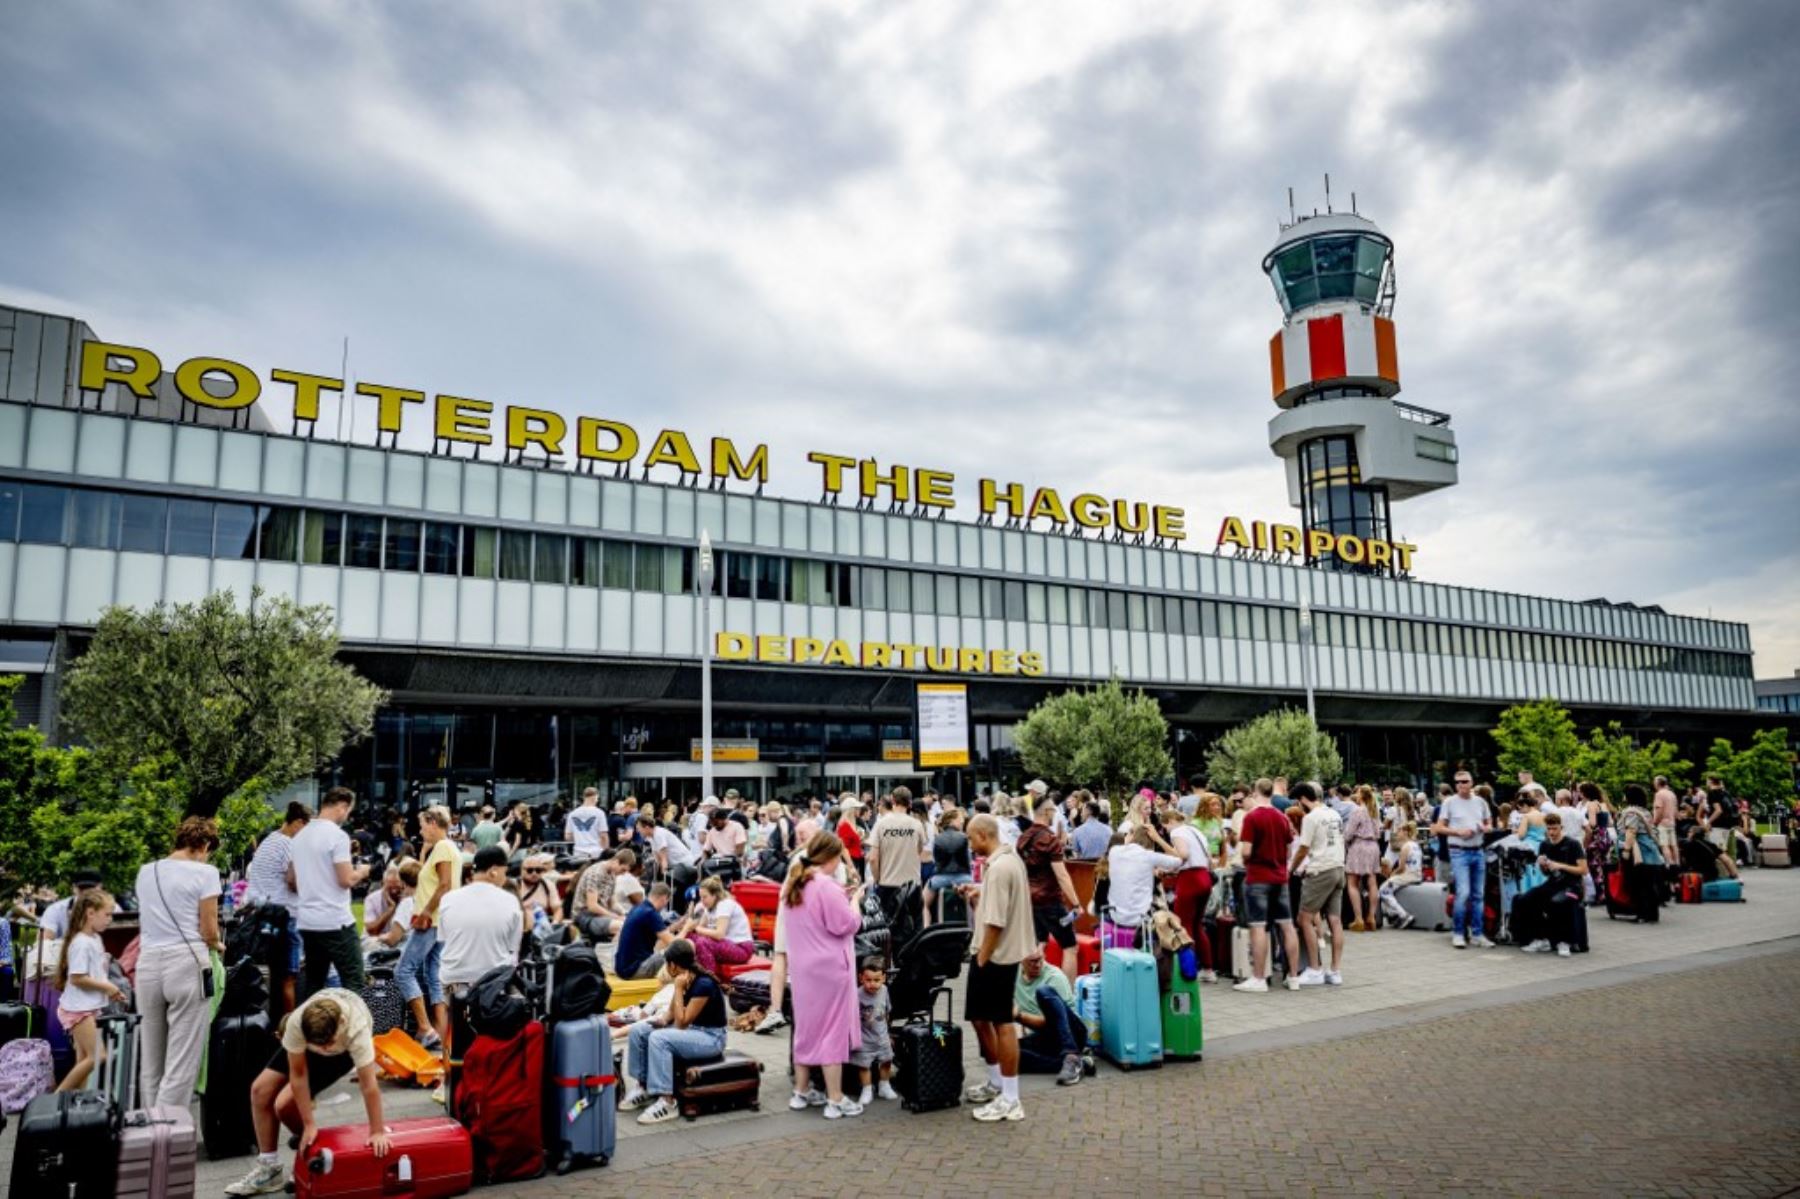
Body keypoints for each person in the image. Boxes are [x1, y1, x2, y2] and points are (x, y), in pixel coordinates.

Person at [224, 989, 389, 1196]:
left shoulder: (357, 1030)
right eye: (320, 1045)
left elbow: (368, 1086)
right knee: (260, 1090)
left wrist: (377, 1131)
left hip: (343, 1050)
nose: (325, 1049)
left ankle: (309, 1154)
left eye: (329, 1043)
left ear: (343, 1022)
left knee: (283, 1106)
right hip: (309, 1037)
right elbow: (298, 1074)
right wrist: (308, 1123)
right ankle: (269, 1169)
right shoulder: (297, 1023)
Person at [135, 815, 224, 1109]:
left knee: (152, 1059)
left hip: (147, 964)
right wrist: (218, 944)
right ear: (204, 844)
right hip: (186, 963)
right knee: (182, 1060)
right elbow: (209, 930)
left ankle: (149, 1129)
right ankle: (167, 1133)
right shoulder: (206, 873)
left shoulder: (146, 872)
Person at [957, 813, 1034, 1123]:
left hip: (996, 955)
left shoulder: (1000, 867)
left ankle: (1010, 1097)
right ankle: (998, 1083)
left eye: (971, 838)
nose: (970, 844)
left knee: (1001, 1022)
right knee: (980, 1017)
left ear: (983, 836)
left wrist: (982, 957)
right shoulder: (1007, 861)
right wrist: (979, 892)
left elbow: (995, 922)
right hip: (999, 953)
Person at [782, 831, 865, 1119]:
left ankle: (801, 1092)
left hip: (803, 968)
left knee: (806, 1028)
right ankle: (835, 1098)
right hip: (830, 968)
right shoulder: (826, 886)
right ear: (831, 857)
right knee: (832, 1030)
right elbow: (846, 924)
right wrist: (855, 902)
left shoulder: (794, 882)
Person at [436, 844, 523, 1094]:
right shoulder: (509, 901)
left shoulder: (449, 899)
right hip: (491, 984)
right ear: (494, 871)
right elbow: (512, 950)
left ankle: (448, 1080)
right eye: (505, 871)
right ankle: (492, 1079)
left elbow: (445, 939)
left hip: (454, 979)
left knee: (451, 1029)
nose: (506, 877)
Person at [617, 938, 730, 1125]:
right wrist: (657, 1021)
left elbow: (682, 1023)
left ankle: (667, 1102)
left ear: (673, 965)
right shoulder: (685, 977)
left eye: (666, 964)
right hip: (693, 1031)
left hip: (711, 1038)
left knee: (659, 1039)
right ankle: (643, 1086)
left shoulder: (703, 984)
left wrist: (678, 989)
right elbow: (670, 1014)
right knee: (639, 1030)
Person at [290, 787, 372, 998]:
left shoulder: (300, 836)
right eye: (348, 811)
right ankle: (354, 1029)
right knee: (354, 980)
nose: (347, 816)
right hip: (336, 920)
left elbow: (291, 880)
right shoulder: (338, 836)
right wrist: (362, 872)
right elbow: (346, 879)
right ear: (342, 806)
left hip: (308, 920)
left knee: (314, 982)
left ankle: (309, 1028)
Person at [398, 805, 459, 1051]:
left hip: (431, 920)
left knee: (403, 971)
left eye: (423, 825)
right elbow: (432, 879)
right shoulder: (446, 848)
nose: (421, 830)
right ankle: (443, 1035)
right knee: (433, 976)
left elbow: (443, 885)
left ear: (434, 823)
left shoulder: (443, 847)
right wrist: (424, 851)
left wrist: (424, 912)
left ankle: (425, 1028)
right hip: (440, 920)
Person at [52, 888, 123, 1092]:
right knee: (97, 1056)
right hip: (78, 1009)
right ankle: (55, 1099)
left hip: (84, 1007)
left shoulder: (94, 940)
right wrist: (109, 987)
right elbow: (77, 978)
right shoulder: (82, 943)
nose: (110, 920)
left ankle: (75, 1104)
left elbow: (93, 975)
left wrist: (110, 989)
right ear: (90, 913)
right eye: (107, 914)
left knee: (83, 1060)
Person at [1234, 782, 1302, 993]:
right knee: (1287, 925)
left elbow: (1246, 851)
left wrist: (1249, 861)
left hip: (1258, 877)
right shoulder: (1282, 817)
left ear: (1254, 792)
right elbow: (1289, 850)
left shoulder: (1252, 817)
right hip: (1280, 877)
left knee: (1258, 926)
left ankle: (1259, 977)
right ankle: (1293, 976)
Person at [242, 802, 310, 1014]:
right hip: (285, 915)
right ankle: (288, 1029)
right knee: (290, 977)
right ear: (298, 823)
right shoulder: (289, 844)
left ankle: (275, 1026)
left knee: (276, 974)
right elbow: (293, 880)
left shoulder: (268, 841)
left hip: (265, 916)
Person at [1017, 794, 1081, 983]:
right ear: (1046, 812)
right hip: (1050, 901)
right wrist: (1076, 903)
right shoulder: (1048, 839)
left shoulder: (1023, 838)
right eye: (1053, 810)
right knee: (1070, 947)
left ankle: (1029, 986)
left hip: (1030, 899)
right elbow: (1062, 875)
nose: (1055, 814)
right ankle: (1068, 996)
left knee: (1040, 943)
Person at [1290, 783, 1346, 987]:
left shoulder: (1310, 818)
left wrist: (1292, 868)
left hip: (1320, 870)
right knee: (1335, 920)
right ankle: (1335, 970)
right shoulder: (1334, 814)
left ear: (1303, 799)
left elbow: (1303, 848)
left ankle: (1314, 969)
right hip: (1339, 868)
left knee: (1304, 918)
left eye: (1298, 801)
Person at [1431, 772, 1494, 949]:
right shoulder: (1449, 802)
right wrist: (1458, 832)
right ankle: (1458, 932)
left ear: (1472, 782)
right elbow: (1439, 828)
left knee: (1478, 894)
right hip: (1459, 851)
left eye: (1465, 781)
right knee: (1463, 892)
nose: (1461, 785)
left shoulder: (1480, 802)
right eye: (1457, 782)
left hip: (1477, 849)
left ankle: (1477, 933)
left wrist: (1483, 828)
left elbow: (1490, 825)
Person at [1511, 812, 1586, 956]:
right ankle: (1541, 937)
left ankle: (1564, 941)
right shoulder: (1544, 845)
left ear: (1561, 827)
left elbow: (1583, 869)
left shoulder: (1572, 844)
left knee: (1558, 902)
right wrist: (1543, 867)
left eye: (1554, 829)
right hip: (1553, 884)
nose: (1551, 832)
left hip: (1572, 885)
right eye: (1549, 829)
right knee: (1526, 899)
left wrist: (1560, 866)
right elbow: (1546, 874)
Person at [1012, 946, 1086, 1085]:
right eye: (1032, 961)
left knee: (1043, 991)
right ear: (1021, 959)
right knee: (1007, 1054)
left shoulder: (1053, 976)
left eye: (1040, 959)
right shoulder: (1014, 974)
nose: (1038, 964)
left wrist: (1019, 1016)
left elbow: (1051, 1023)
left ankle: (1071, 1056)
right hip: (1047, 1037)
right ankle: (1077, 1064)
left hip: (1072, 1034)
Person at [1105, 824, 1182, 943]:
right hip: (1140, 918)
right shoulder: (1149, 856)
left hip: (1116, 915)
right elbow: (1179, 860)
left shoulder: (1114, 852)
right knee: (1171, 915)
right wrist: (1158, 839)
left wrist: (1130, 838)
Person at [1165, 811, 1218, 983]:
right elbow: (1210, 860)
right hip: (1204, 878)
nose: (1166, 830)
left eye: (1166, 826)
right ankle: (1208, 969)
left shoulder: (1176, 832)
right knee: (1198, 925)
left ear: (1170, 821)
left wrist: (1164, 847)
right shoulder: (1196, 832)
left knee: (1183, 925)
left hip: (1190, 880)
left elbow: (1183, 855)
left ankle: (1189, 969)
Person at [675, 876, 756, 975]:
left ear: (714, 896)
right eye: (700, 897)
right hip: (727, 944)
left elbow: (719, 934)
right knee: (690, 937)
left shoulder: (724, 905)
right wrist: (688, 927)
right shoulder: (708, 906)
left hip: (741, 948)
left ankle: (709, 979)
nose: (702, 900)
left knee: (702, 942)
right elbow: (699, 928)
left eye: (705, 897)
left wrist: (696, 929)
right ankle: (687, 972)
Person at [867, 790, 925, 916]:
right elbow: (919, 851)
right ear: (910, 803)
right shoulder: (917, 825)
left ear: (893, 801)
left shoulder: (881, 824)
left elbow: (872, 858)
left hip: (888, 883)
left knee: (888, 929)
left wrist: (878, 879)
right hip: (912, 885)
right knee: (913, 929)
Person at [850, 957, 898, 1106]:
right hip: (864, 1038)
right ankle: (867, 1089)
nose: (872, 984)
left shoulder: (884, 991)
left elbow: (887, 1012)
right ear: (861, 978)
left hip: (882, 1036)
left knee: (886, 1060)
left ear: (883, 978)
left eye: (877, 980)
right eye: (868, 980)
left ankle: (884, 1085)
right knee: (864, 1065)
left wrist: (889, 1033)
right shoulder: (857, 995)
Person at [1615, 784, 1666, 923]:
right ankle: (1652, 914)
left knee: (1637, 883)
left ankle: (1642, 913)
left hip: (1639, 851)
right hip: (1650, 850)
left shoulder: (1631, 812)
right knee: (1649, 884)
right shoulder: (1645, 811)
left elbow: (1631, 831)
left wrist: (1626, 850)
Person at [572, 849, 636, 943]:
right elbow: (592, 906)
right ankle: (612, 955)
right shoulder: (595, 873)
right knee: (623, 927)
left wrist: (625, 914)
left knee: (633, 924)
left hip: (599, 916)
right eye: (623, 870)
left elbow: (612, 903)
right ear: (616, 861)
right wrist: (615, 916)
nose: (623, 873)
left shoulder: (612, 875)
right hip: (584, 916)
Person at [1342, 786, 1382, 933]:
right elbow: (1379, 831)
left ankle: (1358, 919)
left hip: (1359, 846)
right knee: (1372, 882)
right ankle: (1371, 917)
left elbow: (1348, 833)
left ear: (1361, 796)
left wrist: (1346, 843)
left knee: (1352, 882)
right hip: (1373, 846)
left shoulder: (1357, 811)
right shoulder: (1375, 811)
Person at [615, 883, 674, 981]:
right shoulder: (651, 913)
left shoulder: (638, 908)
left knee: (661, 943)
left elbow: (663, 932)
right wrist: (687, 928)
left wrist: (679, 924)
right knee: (680, 951)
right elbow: (674, 943)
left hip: (621, 968)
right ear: (664, 898)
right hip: (635, 971)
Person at [926, 806, 973, 924]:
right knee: (977, 902)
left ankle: (926, 928)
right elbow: (969, 858)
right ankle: (976, 928)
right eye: (960, 820)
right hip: (964, 878)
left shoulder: (937, 838)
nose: (962, 822)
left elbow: (934, 859)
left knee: (924, 903)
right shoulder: (964, 837)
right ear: (953, 821)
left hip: (940, 879)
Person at [1377, 821, 1424, 928]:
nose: (1397, 833)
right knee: (1388, 886)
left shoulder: (1405, 847)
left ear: (1405, 832)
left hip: (1408, 875)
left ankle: (1403, 915)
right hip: (1417, 874)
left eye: (1399, 831)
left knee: (1383, 890)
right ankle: (1394, 915)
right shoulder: (1415, 845)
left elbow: (1401, 868)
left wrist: (1392, 874)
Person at [39, 869, 102, 941]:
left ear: (100, 887)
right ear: (74, 888)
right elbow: (43, 942)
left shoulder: (113, 909)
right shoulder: (55, 910)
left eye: (91, 888)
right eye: (82, 888)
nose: (86, 892)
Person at [516, 853, 564, 926]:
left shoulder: (548, 885)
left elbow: (557, 909)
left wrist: (555, 924)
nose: (534, 873)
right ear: (521, 871)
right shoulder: (514, 886)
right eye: (530, 870)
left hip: (541, 929)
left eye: (538, 870)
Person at [564, 788, 609, 860]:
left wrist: (579, 838)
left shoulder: (573, 814)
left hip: (579, 851)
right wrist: (606, 851)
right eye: (597, 798)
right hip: (596, 851)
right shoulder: (599, 813)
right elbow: (603, 835)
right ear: (595, 797)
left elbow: (568, 837)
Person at [835, 798, 867, 880]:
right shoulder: (845, 825)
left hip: (856, 859)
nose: (859, 810)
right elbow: (843, 848)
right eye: (857, 808)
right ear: (852, 810)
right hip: (852, 861)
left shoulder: (850, 824)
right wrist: (851, 866)